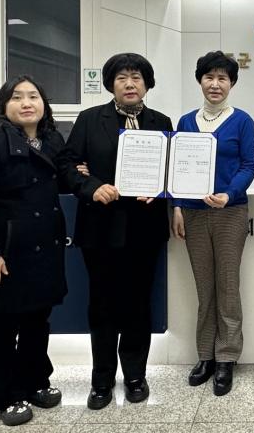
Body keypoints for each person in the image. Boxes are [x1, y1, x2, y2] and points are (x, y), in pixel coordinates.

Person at [59, 53, 172, 410]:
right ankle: (102, 380)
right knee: (103, 304)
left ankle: (136, 376)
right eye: (122, 78)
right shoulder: (90, 119)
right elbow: (67, 165)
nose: (129, 84)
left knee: (139, 304)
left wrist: (161, 187)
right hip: (101, 227)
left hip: (145, 227)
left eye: (136, 77)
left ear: (147, 84)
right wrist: (92, 186)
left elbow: (171, 169)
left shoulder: (161, 122)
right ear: (111, 84)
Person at [0, 76, 67, 426]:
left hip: (44, 251)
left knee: (38, 322)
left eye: (33, 96)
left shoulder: (51, 140)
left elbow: (62, 178)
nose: (26, 103)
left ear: (43, 104)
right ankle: (4, 397)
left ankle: (35, 381)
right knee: (3, 327)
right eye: (17, 97)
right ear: (3, 106)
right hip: (6, 253)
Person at [171, 51, 254, 396]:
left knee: (227, 286)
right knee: (204, 287)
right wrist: (177, 206)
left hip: (229, 212)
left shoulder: (242, 121)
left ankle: (227, 357)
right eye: (209, 77)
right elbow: (177, 167)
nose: (215, 84)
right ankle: (205, 355)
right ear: (200, 81)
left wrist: (229, 193)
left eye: (223, 78)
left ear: (232, 83)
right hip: (192, 213)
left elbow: (249, 165)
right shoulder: (185, 122)